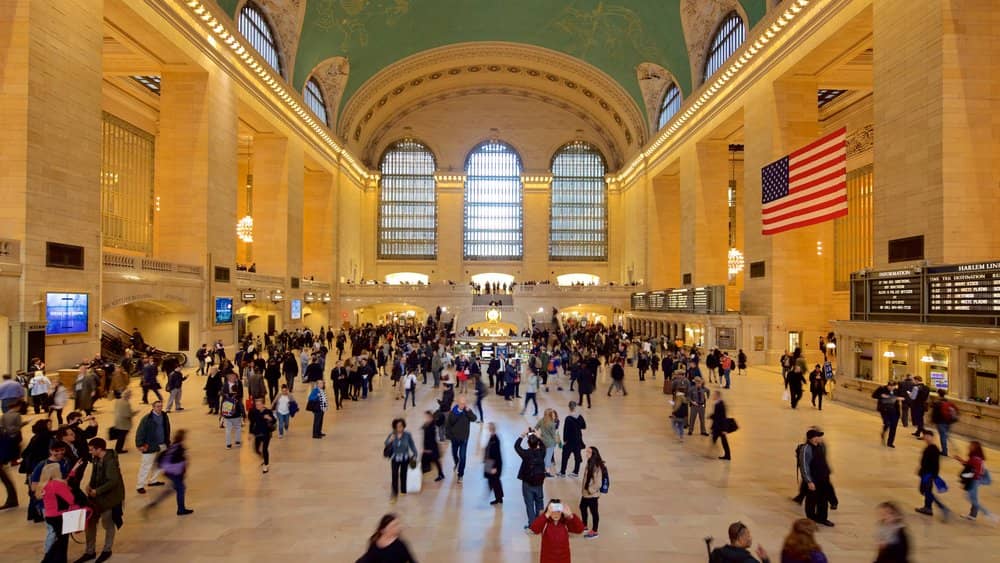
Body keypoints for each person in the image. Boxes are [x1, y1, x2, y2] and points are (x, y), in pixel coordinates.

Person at [78, 438, 124, 563]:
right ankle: (89, 551)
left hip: (109, 498)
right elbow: (94, 474)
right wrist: (90, 485)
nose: (90, 452)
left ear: (99, 449)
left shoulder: (110, 462)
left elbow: (113, 481)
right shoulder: (97, 459)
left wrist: (97, 491)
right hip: (96, 497)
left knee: (107, 523)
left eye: (92, 449)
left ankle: (107, 549)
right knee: (91, 523)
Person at [142, 429, 193, 516]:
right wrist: (182, 473)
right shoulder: (180, 448)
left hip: (168, 472)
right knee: (180, 489)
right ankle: (181, 510)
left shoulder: (172, 446)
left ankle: (154, 503)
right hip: (175, 473)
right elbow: (182, 463)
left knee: (170, 490)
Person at [798, 429, 834, 527]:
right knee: (811, 501)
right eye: (818, 436)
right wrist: (809, 481)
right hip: (813, 480)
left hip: (823, 479)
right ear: (812, 438)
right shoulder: (806, 449)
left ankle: (822, 518)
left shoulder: (820, 446)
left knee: (823, 500)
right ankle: (811, 519)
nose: (820, 438)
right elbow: (804, 466)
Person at [134, 399, 170, 494]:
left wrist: (168, 442)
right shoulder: (147, 419)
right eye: (157, 406)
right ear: (153, 407)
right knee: (146, 466)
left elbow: (167, 429)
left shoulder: (165, 416)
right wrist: (139, 444)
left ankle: (153, 480)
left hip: (162, 444)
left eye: (161, 406)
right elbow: (140, 432)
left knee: (160, 464)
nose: (159, 408)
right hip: (150, 446)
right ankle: (140, 485)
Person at [953, 441, 995, 522]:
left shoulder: (976, 459)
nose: (969, 447)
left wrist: (966, 477)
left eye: (971, 446)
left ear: (975, 448)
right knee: (973, 498)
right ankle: (973, 515)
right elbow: (968, 464)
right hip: (976, 480)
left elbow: (977, 471)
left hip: (975, 480)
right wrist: (959, 459)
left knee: (969, 498)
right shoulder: (975, 458)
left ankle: (988, 514)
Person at [915, 429, 950, 520]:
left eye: (927, 436)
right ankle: (928, 508)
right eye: (925, 436)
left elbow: (935, 464)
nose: (926, 438)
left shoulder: (933, 448)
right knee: (925, 491)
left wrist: (933, 475)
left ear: (932, 437)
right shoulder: (929, 448)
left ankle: (942, 508)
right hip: (926, 473)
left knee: (927, 491)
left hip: (928, 475)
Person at [515, 431, 547, 530]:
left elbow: (516, 447)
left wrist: (522, 435)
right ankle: (540, 523)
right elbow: (543, 446)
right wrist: (539, 437)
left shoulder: (526, 454)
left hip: (527, 483)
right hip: (539, 483)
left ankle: (532, 525)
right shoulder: (542, 453)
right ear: (537, 443)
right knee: (539, 502)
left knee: (529, 504)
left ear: (528, 444)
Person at [384, 418, 418, 502]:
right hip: (395, 458)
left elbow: (412, 444)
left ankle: (403, 490)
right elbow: (386, 443)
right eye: (398, 426)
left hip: (405, 458)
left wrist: (415, 453)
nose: (400, 428)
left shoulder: (407, 435)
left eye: (401, 426)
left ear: (403, 426)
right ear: (395, 427)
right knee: (394, 475)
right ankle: (394, 494)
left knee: (403, 474)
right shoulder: (392, 434)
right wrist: (390, 440)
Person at [445, 396, 476, 483]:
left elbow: (474, 418)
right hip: (454, 439)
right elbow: (448, 425)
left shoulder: (467, 411)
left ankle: (460, 475)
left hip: (464, 439)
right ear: (457, 403)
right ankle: (456, 462)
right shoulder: (452, 413)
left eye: (464, 403)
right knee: (454, 454)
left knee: (463, 457)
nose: (463, 405)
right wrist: (449, 436)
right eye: (462, 403)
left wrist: (469, 411)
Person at [579, 446, 607, 539]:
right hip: (586, 493)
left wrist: (589, 490)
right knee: (582, 507)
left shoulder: (596, 466)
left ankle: (595, 531)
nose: (586, 453)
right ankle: (584, 525)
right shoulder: (590, 462)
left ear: (593, 454)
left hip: (592, 495)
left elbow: (598, 483)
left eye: (588, 452)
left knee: (594, 512)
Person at [559, 401, 586, 477]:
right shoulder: (579, 416)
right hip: (578, 440)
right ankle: (576, 472)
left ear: (569, 407)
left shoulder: (568, 418)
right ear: (575, 407)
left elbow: (566, 431)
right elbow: (584, 426)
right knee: (577, 456)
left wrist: (565, 440)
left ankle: (562, 472)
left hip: (570, 441)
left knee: (565, 456)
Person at [249, 397, 275, 473]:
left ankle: (266, 465)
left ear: (263, 404)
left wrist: (270, 418)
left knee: (264, 449)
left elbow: (274, 420)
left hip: (266, 433)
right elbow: (252, 423)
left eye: (259, 404)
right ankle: (264, 458)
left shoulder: (268, 411)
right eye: (256, 405)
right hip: (258, 433)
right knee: (256, 449)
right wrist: (250, 433)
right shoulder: (254, 411)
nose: (257, 406)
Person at [872, 381, 901, 448]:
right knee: (887, 423)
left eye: (893, 387)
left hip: (895, 410)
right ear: (887, 385)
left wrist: (900, 398)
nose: (891, 388)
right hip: (884, 410)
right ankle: (884, 432)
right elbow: (873, 395)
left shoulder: (897, 390)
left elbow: (903, 397)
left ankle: (890, 442)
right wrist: (881, 396)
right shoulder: (882, 388)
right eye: (890, 386)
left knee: (893, 427)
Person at [930, 389, 958, 456]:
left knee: (943, 436)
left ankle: (944, 451)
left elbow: (934, 413)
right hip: (948, 421)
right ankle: (949, 447)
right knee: (945, 435)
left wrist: (932, 420)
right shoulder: (948, 401)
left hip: (940, 422)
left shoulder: (937, 402)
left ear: (938, 394)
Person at [220, 377, 245, 448]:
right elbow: (241, 407)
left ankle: (228, 444)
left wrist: (222, 414)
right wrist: (243, 414)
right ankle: (237, 442)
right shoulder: (237, 397)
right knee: (238, 428)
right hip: (236, 415)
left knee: (228, 430)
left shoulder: (226, 396)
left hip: (227, 415)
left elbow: (222, 405)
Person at [109, 389, 135, 454]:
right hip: (124, 423)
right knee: (122, 437)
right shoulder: (126, 403)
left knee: (121, 436)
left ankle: (119, 448)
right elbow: (128, 414)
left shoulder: (118, 401)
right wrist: (134, 413)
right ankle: (118, 449)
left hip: (118, 421)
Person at [535, 409, 559, 477]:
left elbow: (535, 428)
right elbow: (553, 435)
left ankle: (543, 469)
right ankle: (547, 472)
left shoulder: (542, 420)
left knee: (544, 455)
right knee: (548, 457)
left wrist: (539, 435)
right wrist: (557, 441)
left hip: (542, 441)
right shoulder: (551, 424)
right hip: (550, 443)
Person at [421, 411, 444, 482]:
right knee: (434, 461)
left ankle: (440, 474)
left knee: (435, 461)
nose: (426, 418)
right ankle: (440, 474)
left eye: (427, 417)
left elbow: (431, 438)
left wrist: (428, 449)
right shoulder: (427, 424)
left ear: (431, 417)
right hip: (428, 447)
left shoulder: (432, 426)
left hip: (431, 447)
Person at [484, 422, 503, 505]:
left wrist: (494, 467)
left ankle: (499, 498)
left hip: (493, 464)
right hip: (489, 462)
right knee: (492, 480)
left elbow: (496, 454)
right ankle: (498, 497)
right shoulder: (492, 437)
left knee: (495, 481)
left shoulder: (495, 439)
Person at [711, 390, 732, 461]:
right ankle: (726, 455)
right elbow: (717, 415)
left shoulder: (720, 404)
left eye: (714, 395)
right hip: (718, 426)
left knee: (722, 441)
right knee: (717, 440)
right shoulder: (718, 403)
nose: (713, 396)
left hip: (720, 427)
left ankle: (727, 455)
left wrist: (724, 429)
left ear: (717, 396)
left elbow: (723, 417)